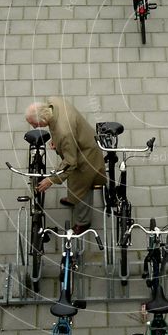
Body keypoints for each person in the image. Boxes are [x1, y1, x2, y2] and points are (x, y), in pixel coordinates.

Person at [24, 98, 106, 234]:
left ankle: (83, 222)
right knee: (72, 179)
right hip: (83, 139)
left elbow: (70, 162)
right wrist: (56, 139)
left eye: (34, 124)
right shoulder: (53, 102)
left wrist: (52, 179)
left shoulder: (64, 132)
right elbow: (59, 128)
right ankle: (72, 198)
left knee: (82, 187)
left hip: (86, 156)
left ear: (43, 118)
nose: (34, 127)